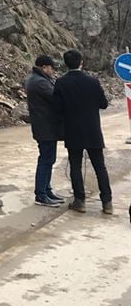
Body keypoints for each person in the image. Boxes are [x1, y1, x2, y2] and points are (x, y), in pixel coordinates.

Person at [53, 48, 112, 214]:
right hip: (93, 130)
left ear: (66, 64)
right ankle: (107, 202)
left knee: (76, 166)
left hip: (72, 131)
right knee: (100, 166)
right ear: (81, 63)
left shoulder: (61, 83)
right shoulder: (93, 81)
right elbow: (104, 104)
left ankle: (80, 201)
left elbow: (56, 108)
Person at [24, 55, 64, 206]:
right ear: (44, 67)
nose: (53, 71)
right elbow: (56, 98)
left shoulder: (35, 79)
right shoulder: (40, 82)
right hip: (45, 127)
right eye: (51, 68)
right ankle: (41, 194)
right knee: (46, 160)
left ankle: (46, 190)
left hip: (44, 126)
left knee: (48, 159)